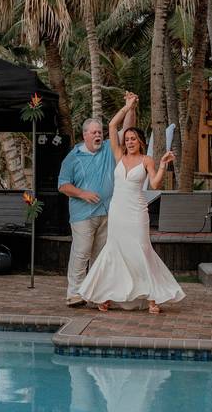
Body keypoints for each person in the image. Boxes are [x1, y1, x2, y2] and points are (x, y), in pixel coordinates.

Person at [78, 95, 185, 313]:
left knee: (141, 250)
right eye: (127, 138)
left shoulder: (147, 160)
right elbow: (111, 125)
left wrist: (163, 165)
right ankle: (105, 295)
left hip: (137, 212)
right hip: (118, 211)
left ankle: (153, 297)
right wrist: (127, 107)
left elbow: (154, 184)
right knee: (115, 251)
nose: (129, 141)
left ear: (141, 141)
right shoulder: (118, 155)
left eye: (133, 138)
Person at [57, 94, 137, 307]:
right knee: (82, 252)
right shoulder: (73, 157)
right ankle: (74, 293)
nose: (98, 135)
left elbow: (128, 129)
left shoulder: (109, 149)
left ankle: (95, 293)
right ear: (85, 135)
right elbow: (63, 185)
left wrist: (130, 107)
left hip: (108, 212)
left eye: (100, 132)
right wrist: (83, 193)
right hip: (82, 213)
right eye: (94, 132)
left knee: (101, 256)